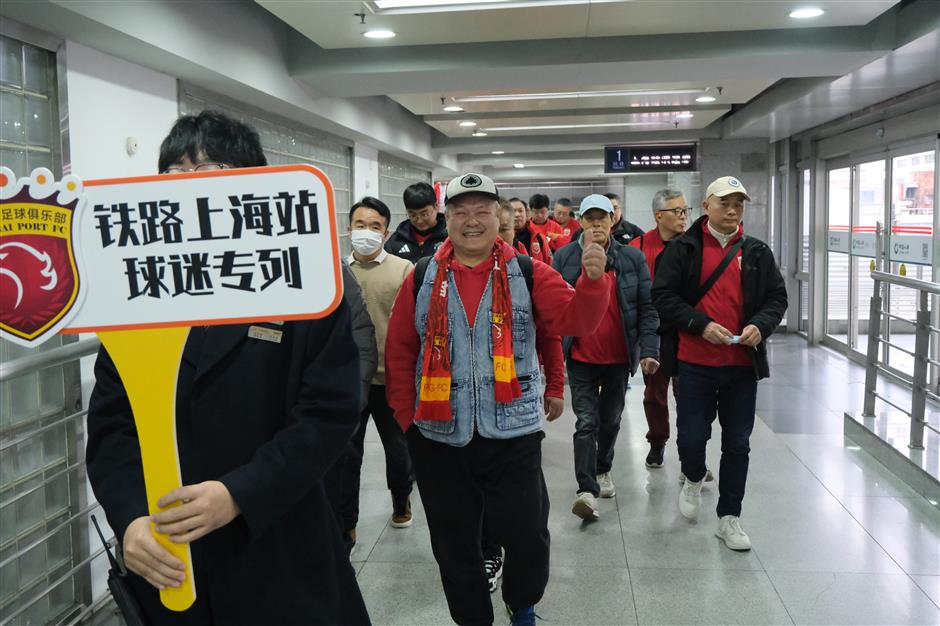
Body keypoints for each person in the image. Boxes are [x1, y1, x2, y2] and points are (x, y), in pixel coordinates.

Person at [85, 110, 370, 625]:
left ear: (254, 184)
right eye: (177, 173)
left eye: (212, 168)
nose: (193, 186)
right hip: (172, 556)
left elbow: (329, 414)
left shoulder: (304, 289)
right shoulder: (136, 302)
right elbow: (111, 427)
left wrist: (240, 493)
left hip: (279, 541)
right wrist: (128, 520)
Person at [385, 173, 610, 626]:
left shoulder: (527, 272)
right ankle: (472, 617)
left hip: (513, 431)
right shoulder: (425, 276)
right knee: (454, 544)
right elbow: (400, 350)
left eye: (481, 211)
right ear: (447, 218)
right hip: (438, 434)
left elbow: (575, 321)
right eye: (461, 212)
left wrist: (592, 281)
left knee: (528, 536)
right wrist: (407, 421)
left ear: (498, 216)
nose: (471, 221)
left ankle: (521, 601)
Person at [652, 176, 787, 551]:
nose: (732, 210)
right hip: (694, 362)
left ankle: (729, 517)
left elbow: (777, 299)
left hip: (741, 365)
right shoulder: (683, 249)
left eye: (739, 204)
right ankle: (693, 476)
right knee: (693, 437)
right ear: (706, 206)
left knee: (738, 443)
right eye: (725, 203)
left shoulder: (757, 252)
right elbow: (663, 296)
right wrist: (700, 324)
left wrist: (760, 325)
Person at [552, 194, 660, 521]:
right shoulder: (565, 257)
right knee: (586, 422)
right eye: (590, 218)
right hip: (581, 356)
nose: (596, 224)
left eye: (603, 218)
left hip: (617, 356)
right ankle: (586, 489)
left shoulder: (631, 258)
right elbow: (555, 306)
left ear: (613, 221)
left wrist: (650, 349)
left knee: (611, 419)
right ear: (580, 222)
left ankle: (603, 468)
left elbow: (647, 307)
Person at [482, 199, 566, 594]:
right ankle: (489, 551)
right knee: (478, 495)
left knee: (526, 506)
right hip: (469, 413)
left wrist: (555, 387)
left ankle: (525, 594)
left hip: (518, 408)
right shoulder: (445, 275)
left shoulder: (528, 273)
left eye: (505, 232)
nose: (498, 239)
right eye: (492, 230)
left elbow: (550, 334)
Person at [343, 196, 417, 539]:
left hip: (391, 379)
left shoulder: (403, 270)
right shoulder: (338, 272)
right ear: (348, 230)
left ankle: (401, 502)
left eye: (375, 227)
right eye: (361, 225)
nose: (367, 232)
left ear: (386, 233)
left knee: (398, 451)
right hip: (348, 381)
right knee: (346, 455)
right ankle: (348, 524)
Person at [629, 189, 689, 469]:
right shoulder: (638, 248)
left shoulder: (693, 246)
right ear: (659, 216)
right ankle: (657, 442)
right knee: (654, 394)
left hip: (687, 332)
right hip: (653, 334)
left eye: (685, 211)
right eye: (677, 211)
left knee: (688, 394)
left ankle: (691, 450)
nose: (683, 217)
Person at [324, 258, 379, 555]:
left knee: (335, 484)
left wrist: (352, 400)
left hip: (325, 411)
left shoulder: (331, 268)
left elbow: (360, 336)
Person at [385, 181, 448, 263]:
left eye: (424, 214)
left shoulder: (450, 237)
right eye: (413, 215)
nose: (419, 220)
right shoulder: (396, 240)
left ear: (436, 206)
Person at [509, 197, 552, 264]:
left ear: (527, 213)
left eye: (520, 211)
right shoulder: (501, 239)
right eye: (513, 211)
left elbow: (549, 263)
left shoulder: (538, 238)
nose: (517, 214)